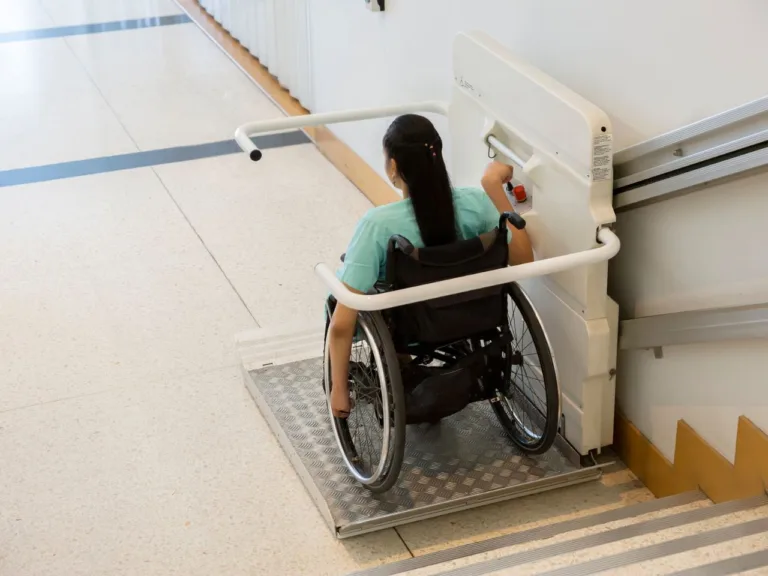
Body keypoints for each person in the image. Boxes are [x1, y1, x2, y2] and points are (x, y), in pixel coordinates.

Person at [328, 114, 533, 417]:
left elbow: (343, 323)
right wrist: (493, 187)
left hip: (411, 327)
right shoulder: (475, 204)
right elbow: (523, 258)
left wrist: (338, 389)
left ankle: (401, 362)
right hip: (472, 316)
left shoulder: (378, 225)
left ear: (393, 166)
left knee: (339, 295)